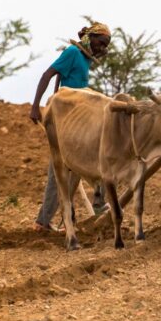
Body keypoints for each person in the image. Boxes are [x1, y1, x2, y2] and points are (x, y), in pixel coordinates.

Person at [30, 22, 111, 231]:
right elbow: (48, 74)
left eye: (106, 46)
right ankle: (97, 206)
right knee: (61, 168)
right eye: (101, 43)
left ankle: (59, 220)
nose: (103, 48)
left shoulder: (84, 59)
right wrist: (36, 107)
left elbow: (62, 79)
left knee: (74, 168)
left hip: (78, 117)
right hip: (67, 118)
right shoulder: (73, 52)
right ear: (91, 38)